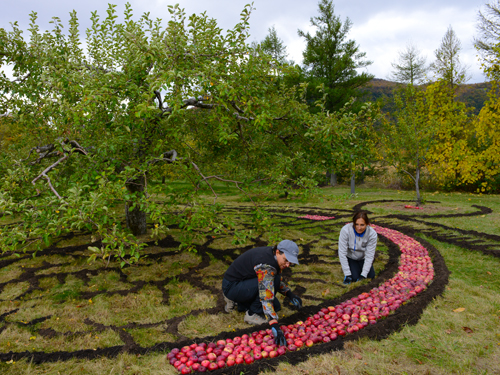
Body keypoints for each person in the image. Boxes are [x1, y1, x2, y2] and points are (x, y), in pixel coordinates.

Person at [222, 240, 303, 346]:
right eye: (286, 260)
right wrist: (274, 325)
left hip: (243, 282)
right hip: (232, 286)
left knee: (276, 305)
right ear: (278, 252)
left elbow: (273, 280)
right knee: (269, 295)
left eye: (290, 262)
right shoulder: (266, 265)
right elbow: (266, 295)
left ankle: (240, 303)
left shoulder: (273, 256)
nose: (288, 264)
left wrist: (289, 294)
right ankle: (251, 314)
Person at [338, 211, 378, 284]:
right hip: (351, 257)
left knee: (371, 276)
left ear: (367, 224)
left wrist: (363, 275)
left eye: (362, 225)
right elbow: (342, 253)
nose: (359, 228)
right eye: (356, 224)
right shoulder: (345, 230)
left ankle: (361, 268)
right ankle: (348, 267)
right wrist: (347, 274)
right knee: (354, 278)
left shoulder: (372, 234)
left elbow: (369, 255)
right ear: (353, 223)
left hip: (363, 257)